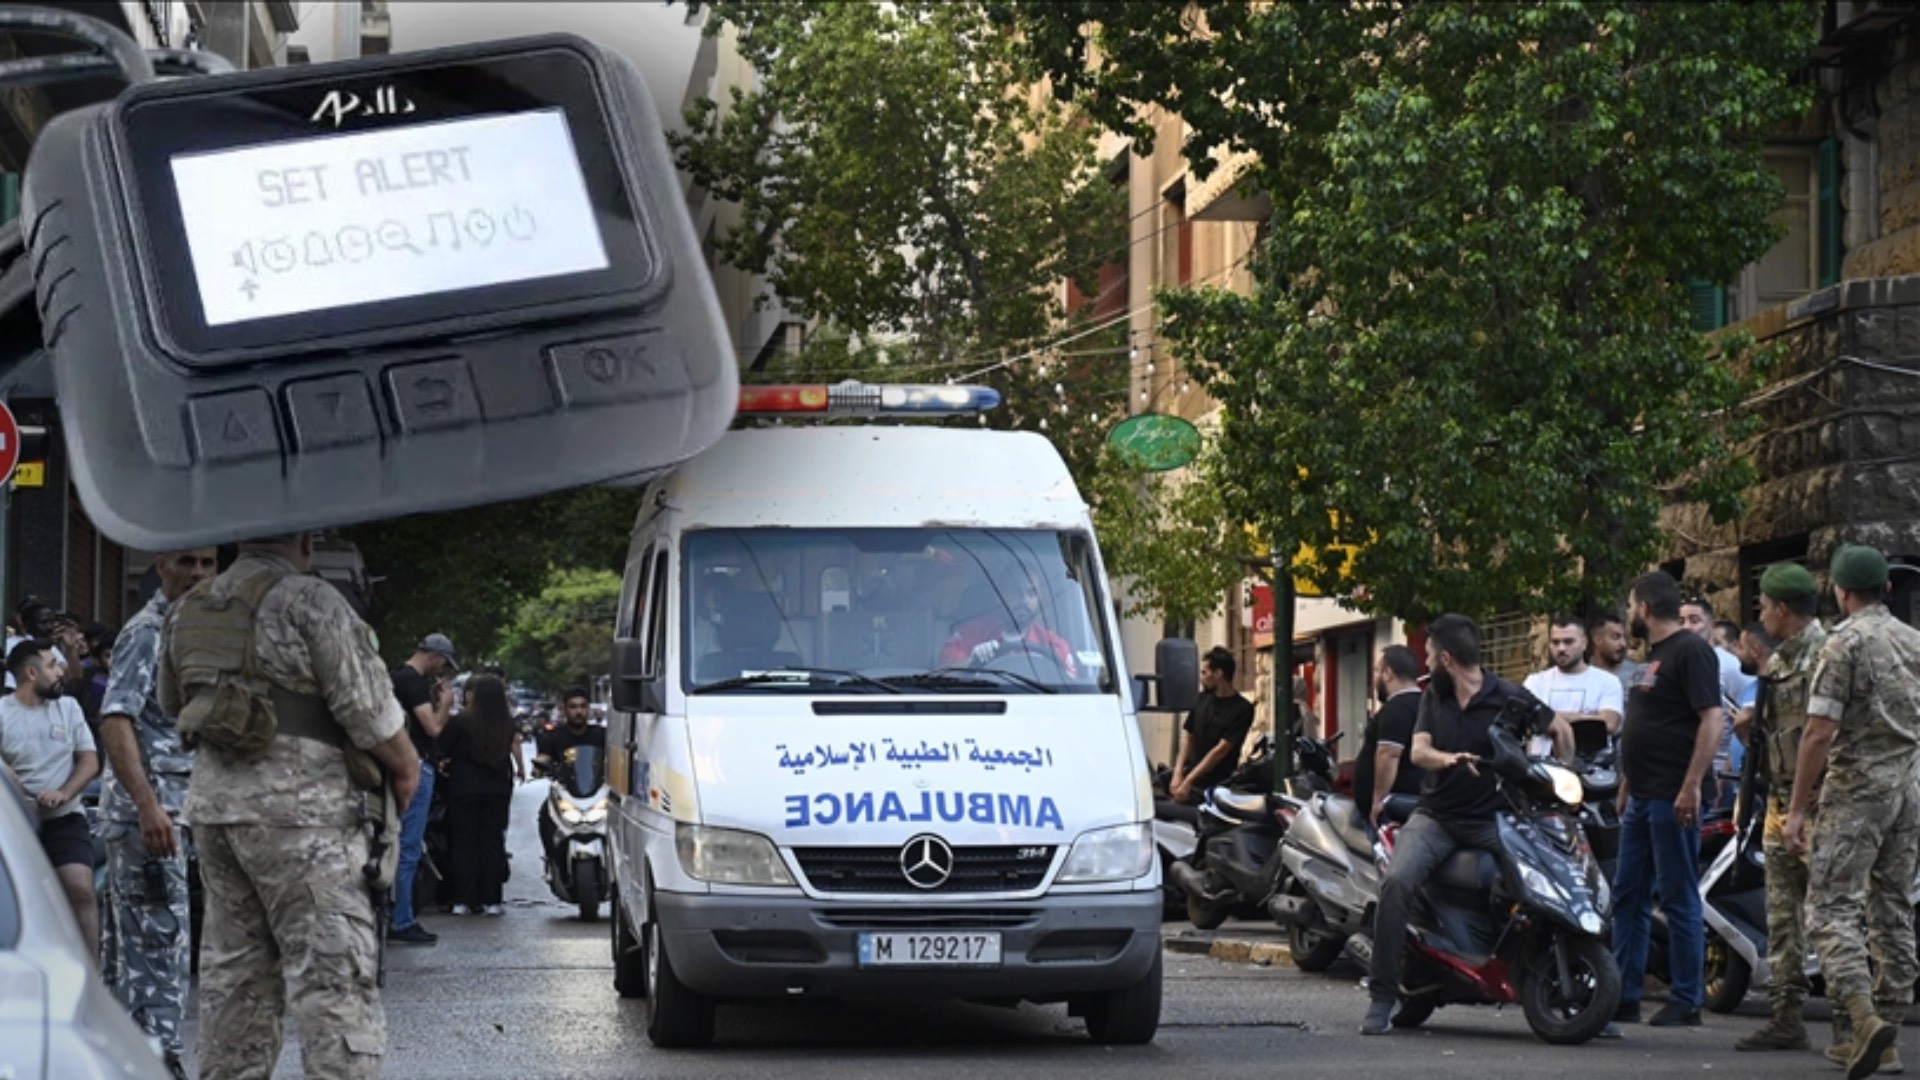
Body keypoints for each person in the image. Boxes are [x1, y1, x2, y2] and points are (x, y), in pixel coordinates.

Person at [158, 532, 420, 1080]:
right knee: (332, 980)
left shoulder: (190, 608)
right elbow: (368, 710)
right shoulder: (310, 599)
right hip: (303, 818)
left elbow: (170, 702)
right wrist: (406, 765)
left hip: (217, 814)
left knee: (235, 983)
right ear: (303, 539)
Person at [1360, 614, 1566, 1035]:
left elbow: (1560, 729)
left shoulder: (1510, 697)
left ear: (1447, 658)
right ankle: (1382, 997)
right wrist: (1447, 760)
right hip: (1437, 816)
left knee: (1544, 884)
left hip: (1496, 818)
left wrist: (1561, 775)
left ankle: (1566, 989)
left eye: (1430, 653)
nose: (1426, 660)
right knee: (1396, 884)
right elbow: (1418, 752)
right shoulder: (1432, 698)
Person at [1784, 544, 1920, 1079]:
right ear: (1886, 588)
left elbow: (1818, 731)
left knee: (1829, 907)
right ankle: (1887, 1037)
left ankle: (1863, 1021)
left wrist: (1797, 808)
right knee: (1893, 908)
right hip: (1908, 787)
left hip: (1858, 790)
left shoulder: (1842, 645)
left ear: (1840, 592)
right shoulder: (1914, 641)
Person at [93, 547, 216, 1076]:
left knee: (139, 945)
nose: (197, 573)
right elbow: (116, 721)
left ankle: (132, 1058)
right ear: (162, 565)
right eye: (186, 561)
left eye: (208, 563)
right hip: (150, 816)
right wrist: (149, 808)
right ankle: (157, 1059)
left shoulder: (192, 631)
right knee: (158, 941)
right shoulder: (149, 631)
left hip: (171, 810)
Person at [1611, 570, 1724, 1030]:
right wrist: (1626, 783)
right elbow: (1645, 722)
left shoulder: (1691, 650)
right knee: (1627, 896)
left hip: (1672, 794)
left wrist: (1692, 785)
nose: (1626, 614)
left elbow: (1711, 719)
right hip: (1641, 793)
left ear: (1643, 608)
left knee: (1677, 896)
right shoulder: (1651, 658)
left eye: (1629, 606)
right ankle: (1624, 993)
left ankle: (1686, 998)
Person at [1732, 564, 1829, 1056]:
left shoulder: (1825, 656)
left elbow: (1830, 732)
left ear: (1783, 609)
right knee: (1783, 919)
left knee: (1832, 919)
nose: (1761, 615)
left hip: (1814, 808)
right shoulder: (1783, 659)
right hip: (1779, 801)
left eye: (1765, 607)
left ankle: (1859, 1025)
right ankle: (1786, 1018)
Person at [0, 638, 101, 958]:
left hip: (64, 817)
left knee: (81, 889)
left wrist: (64, 793)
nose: (61, 671)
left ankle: (92, 979)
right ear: (31, 673)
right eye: (52, 665)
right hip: (12, 824)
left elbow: (89, 761)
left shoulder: (68, 708)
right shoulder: (3, 712)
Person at [387, 632, 457, 946]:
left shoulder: (395, 677)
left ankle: (395, 913)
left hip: (401, 765)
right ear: (432, 655)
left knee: (397, 842)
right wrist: (446, 704)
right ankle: (402, 919)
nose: (441, 670)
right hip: (416, 767)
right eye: (442, 662)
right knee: (409, 846)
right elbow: (433, 727)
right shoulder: (413, 682)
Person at [439, 676, 517, 917]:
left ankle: (463, 899)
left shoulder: (461, 721)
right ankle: (492, 900)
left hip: (464, 788)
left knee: (464, 844)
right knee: (492, 844)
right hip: (496, 789)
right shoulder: (507, 724)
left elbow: (444, 747)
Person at [937, 575, 1078, 677]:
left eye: (1031, 593)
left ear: (1039, 599)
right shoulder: (970, 634)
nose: (1024, 600)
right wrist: (971, 662)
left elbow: (1073, 690)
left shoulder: (1053, 644)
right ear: (998, 596)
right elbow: (938, 675)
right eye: (1016, 592)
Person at [1522, 614, 1622, 756]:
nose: (1561, 648)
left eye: (1568, 642)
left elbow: (1609, 724)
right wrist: (1588, 717)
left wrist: (1548, 718)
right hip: (1544, 768)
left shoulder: (1607, 681)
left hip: (1594, 770)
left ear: (1584, 643)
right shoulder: (1535, 682)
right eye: (1555, 642)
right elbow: (1527, 720)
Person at [1167, 647, 1254, 805]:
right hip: (1187, 777)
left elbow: (1220, 751)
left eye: (1204, 672)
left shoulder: (1242, 709)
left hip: (1216, 787)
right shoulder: (1201, 699)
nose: (1201, 678)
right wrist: (1178, 772)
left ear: (1218, 674)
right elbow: (1189, 738)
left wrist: (1189, 781)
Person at [1354, 644, 1426, 826]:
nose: (1375, 676)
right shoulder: (1426, 704)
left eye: (1377, 671)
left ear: (1388, 673)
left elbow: (1388, 754)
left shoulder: (1397, 708)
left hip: (1393, 811)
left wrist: (1379, 802)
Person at [537, 687, 608, 863]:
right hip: (565, 791)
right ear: (564, 709)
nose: (578, 711)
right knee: (544, 815)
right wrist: (540, 767)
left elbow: (614, 756)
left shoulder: (601, 735)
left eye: (583, 706)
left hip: (596, 791)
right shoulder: (553, 736)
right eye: (573, 707)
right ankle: (551, 856)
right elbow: (544, 756)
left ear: (589, 709)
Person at [1590, 609, 1646, 700]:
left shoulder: (1637, 673)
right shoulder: (1582, 675)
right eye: (1616, 637)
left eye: (1624, 637)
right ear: (1597, 640)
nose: (1623, 643)